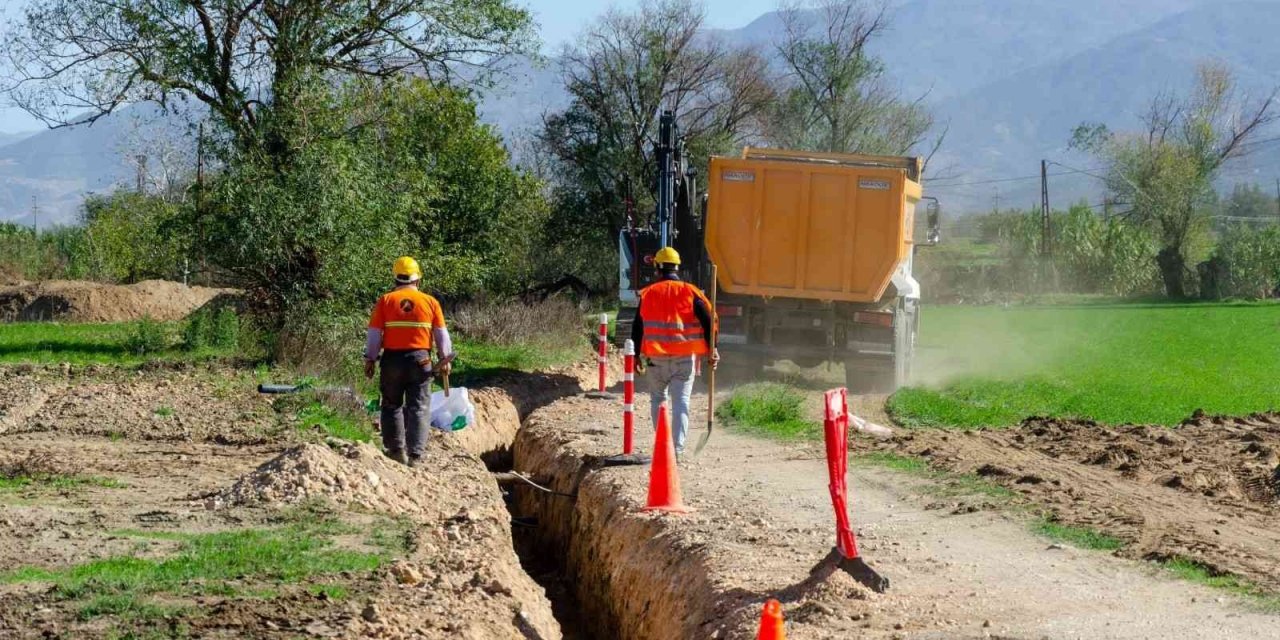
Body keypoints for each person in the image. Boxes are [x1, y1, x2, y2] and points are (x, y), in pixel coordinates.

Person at [364, 256, 454, 467]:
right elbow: (441, 335)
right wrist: (445, 358)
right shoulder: (430, 302)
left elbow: (374, 334)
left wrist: (370, 359)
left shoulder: (385, 301)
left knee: (391, 405)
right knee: (419, 406)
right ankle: (415, 456)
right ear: (417, 279)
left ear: (395, 278)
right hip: (421, 361)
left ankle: (396, 451)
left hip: (392, 360)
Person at [631, 246, 719, 458]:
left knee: (658, 400)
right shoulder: (691, 292)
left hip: (656, 359)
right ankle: (677, 450)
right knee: (681, 402)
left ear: (658, 269)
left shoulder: (648, 293)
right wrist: (713, 348)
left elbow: (637, 327)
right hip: (684, 358)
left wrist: (635, 356)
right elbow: (709, 321)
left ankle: (663, 448)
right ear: (677, 268)